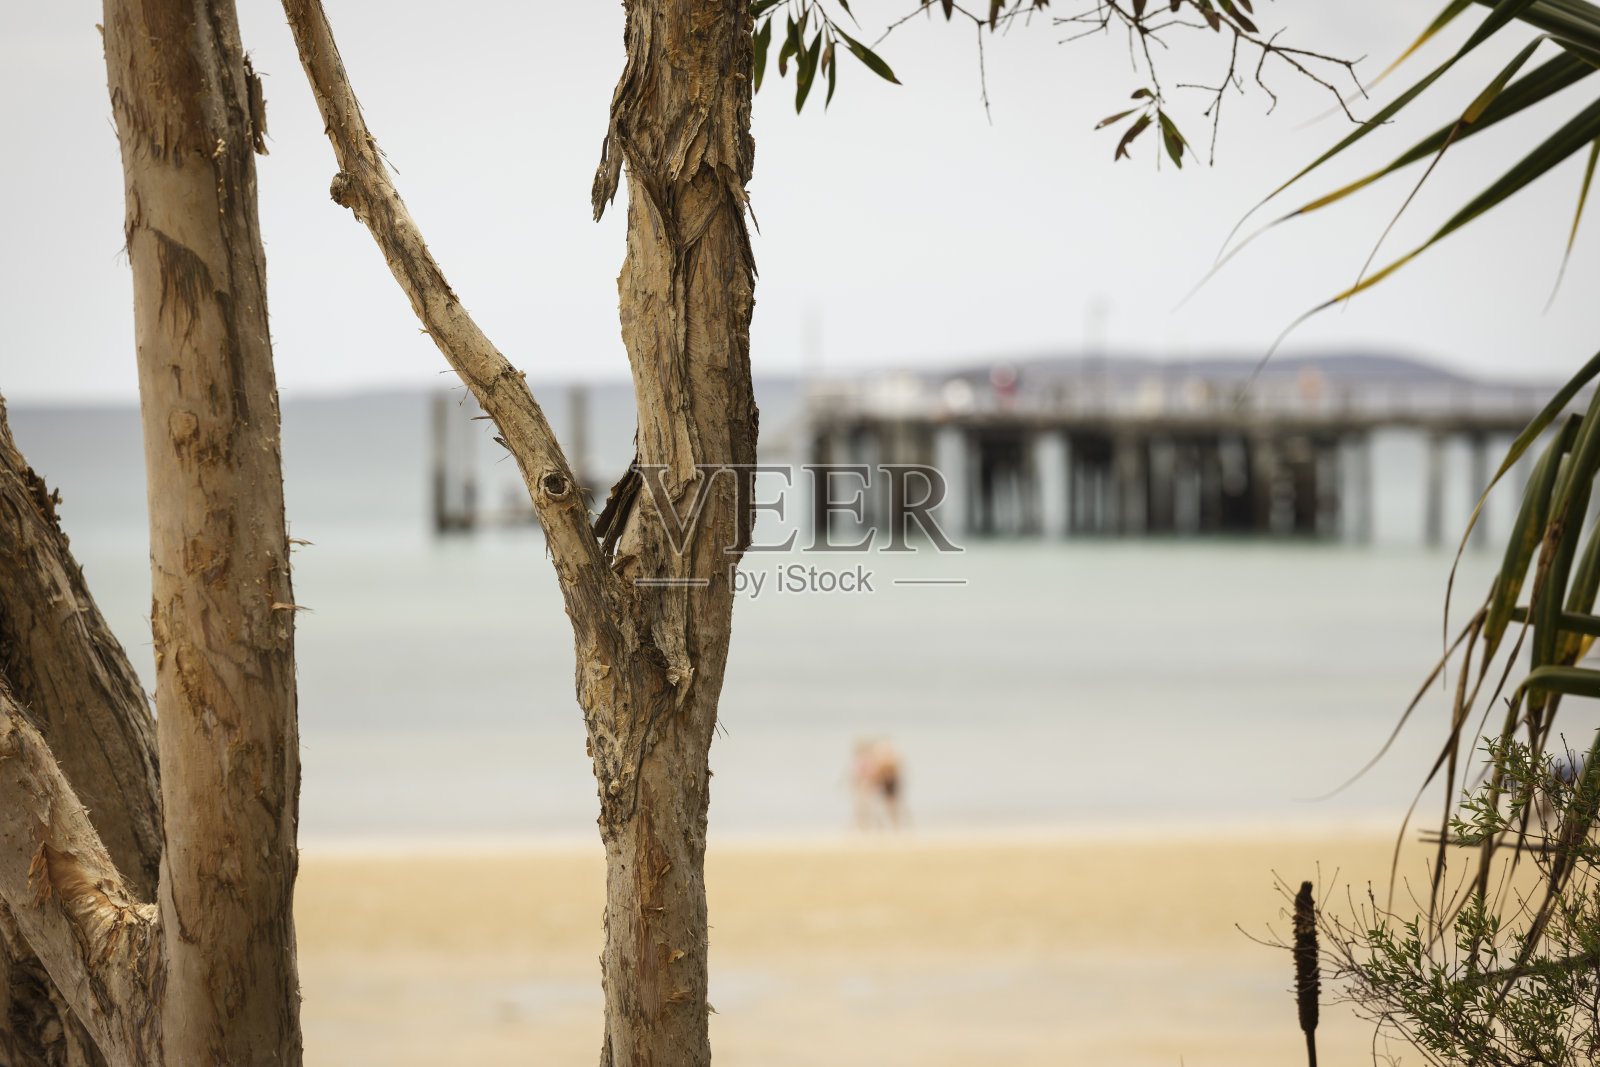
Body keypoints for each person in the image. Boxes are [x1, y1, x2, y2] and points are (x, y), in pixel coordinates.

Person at [851, 737, 903, 831]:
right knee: (870, 806)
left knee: (887, 805)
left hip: (882, 783)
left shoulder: (886, 760)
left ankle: (890, 825)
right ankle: (867, 825)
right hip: (872, 785)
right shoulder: (875, 759)